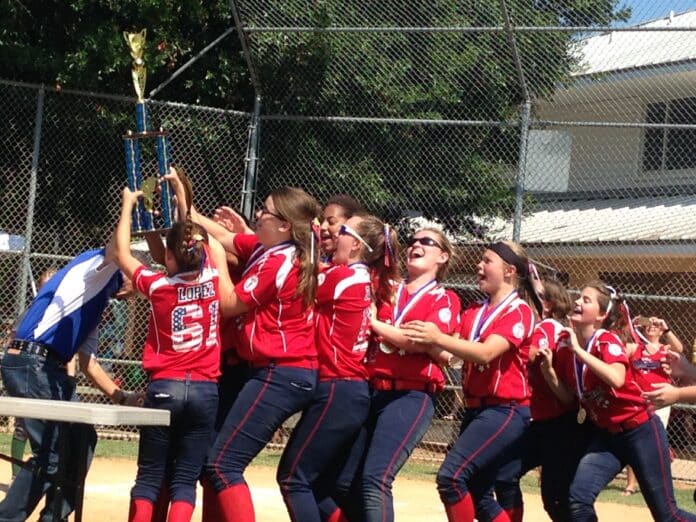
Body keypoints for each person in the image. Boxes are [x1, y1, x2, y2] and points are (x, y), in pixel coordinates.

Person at [196, 187, 322, 522]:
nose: (258, 216)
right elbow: (224, 236)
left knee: (223, 465)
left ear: (284, 225)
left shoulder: (279, 261)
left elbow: (227, 304)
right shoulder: (272, 250)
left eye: (265, 212)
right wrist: (186, 209)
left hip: (281, 372)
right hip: (279, 371)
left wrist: (218, 263)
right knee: (216, 466)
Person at [115, 176, 234, 522]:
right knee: (185, 480)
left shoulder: (158, 287)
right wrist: (182, 195)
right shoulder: (212, 276)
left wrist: (127, 207)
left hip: (164, 385)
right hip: (204, 389)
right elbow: (199, 237)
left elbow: (123, 254)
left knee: (150, 476)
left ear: (168, 256)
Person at [0, 241, 140, 522]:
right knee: (51, 454)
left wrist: (122, 396)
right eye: (134, 276)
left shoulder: (96, 302)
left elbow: (88, 362)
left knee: (82, 438)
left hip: (47, 370)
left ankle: (55, 516)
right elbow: (117, 245)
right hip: (32, 364)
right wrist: (129, 205)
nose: (132, 286)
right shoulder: (97, 268)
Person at [403, 240, 538, 522]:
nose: (479, 266)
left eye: (487, 261)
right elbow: (453, 353)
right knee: (478, 493)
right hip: (477, 409)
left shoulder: (519, 311)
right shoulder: (475, 309)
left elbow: (486, 353)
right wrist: (414, 338)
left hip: (506, 409)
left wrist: (437, 338)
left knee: (451, 477)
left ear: (509, 271)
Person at [276, 215, 398, 522]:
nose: (335, 235)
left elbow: (299, 281)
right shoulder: (358, 278)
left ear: (355, 244)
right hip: (346, 390)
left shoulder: (346, 277)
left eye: (342, 231)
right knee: (316, 485)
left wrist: (304, 242)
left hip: (338, 389)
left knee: (294, 479)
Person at [335, 227, 461, 522]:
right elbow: (415, 340)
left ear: (442, 256)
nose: (416, 245)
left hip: (411, 395)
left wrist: (375, 323)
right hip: (373, 390)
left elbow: (421, 341)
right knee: (343, 482)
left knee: (375, 478)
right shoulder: (389, 289)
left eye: (426, 242)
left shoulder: (444, 298)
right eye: (413, 241)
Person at [563, 281, 696, 522]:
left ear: (602, 314)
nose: (577, 302)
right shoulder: (575, 345)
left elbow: (616, 377)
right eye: (578, 297)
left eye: (586, 300)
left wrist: (578, 351)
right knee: (578, 499)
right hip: (608, 438)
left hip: (640, 431)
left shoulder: (606, 340)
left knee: (667, 515)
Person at [496, 278, 589, 522]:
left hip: (560, 425)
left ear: (546, 305)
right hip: (538, 424)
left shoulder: (547, 326)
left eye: (526, 294)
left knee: (556, 498)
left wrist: (494, 343)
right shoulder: (536, 326)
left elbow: (531, 354)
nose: (519, 297)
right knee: (505, 475)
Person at [622, 315, 683, 496]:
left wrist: (666, 328)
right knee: (635, 442)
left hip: (660, 402)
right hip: (638, 401)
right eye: (649, 325)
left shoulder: (665, 349)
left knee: (655, 443)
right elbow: (621, 349)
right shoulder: (636, 347)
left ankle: (656, 479)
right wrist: (629, 326)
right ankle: (631, 484)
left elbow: (680, 349)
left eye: (656, 326)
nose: (652, 327)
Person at [319, 194, 365, 264]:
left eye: (331, 222)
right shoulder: (322, 263)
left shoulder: (359, 271)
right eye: (321, 221)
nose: (322, 227)